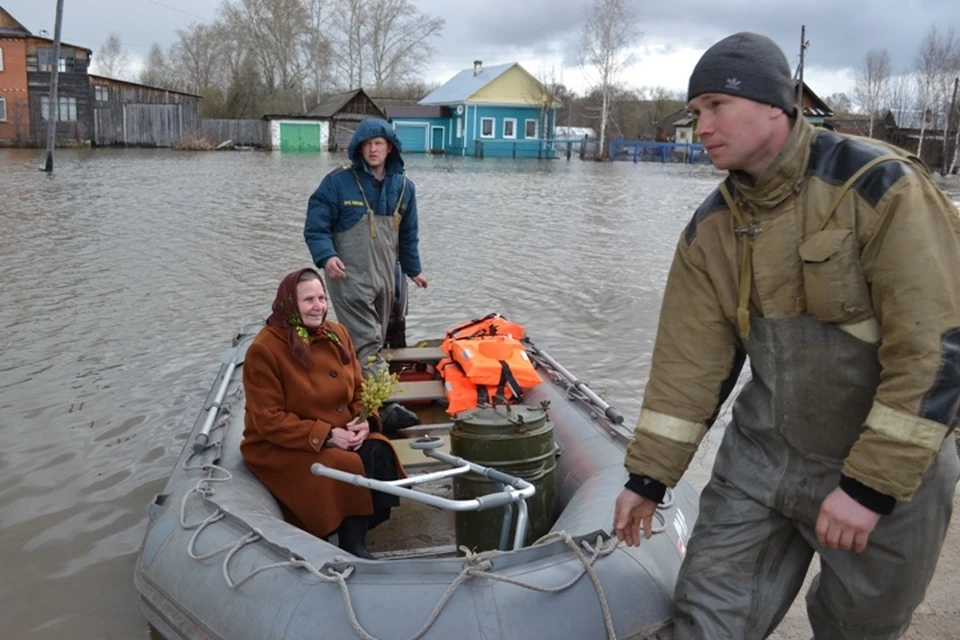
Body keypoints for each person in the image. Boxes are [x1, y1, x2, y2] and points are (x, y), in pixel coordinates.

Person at [613, 32, 960, 639]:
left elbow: (937, 348)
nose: (702, 127)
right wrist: (648, 478)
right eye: (696, 114)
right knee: (706, 618)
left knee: (860, 628)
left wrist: (870, 485)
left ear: (776, 104)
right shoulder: (711, 228)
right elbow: (686, 370)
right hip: (761, 459)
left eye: (717, 106)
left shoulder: (880, 186)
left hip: (884, 465)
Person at [241, 268, 406, 559]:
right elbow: (268, 420)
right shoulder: (265, 350)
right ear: (290, 303)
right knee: (345, 463)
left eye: (321, 297)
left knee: (377, 451)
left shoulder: (337, 333)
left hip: (339, 429)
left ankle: (361, 530)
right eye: (308, 300)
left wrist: (364, 421)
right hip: (284, 443)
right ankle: (352, 546)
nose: (318, 306)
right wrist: (327, 435)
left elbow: (358, 389)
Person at [304, 118, 427, 433]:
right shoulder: (336, 183)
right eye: (367, 144)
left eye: (379, 144)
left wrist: (413, 270)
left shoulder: (404, 188)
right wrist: (327, 256)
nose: (373, 150)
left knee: (376, 337)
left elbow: (408, 235)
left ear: (390, 148)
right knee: (367, 338)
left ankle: (358, 396)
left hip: (386, 277)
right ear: (359, 148)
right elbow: (316, 227)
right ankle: (384, 407)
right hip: (348, 275)